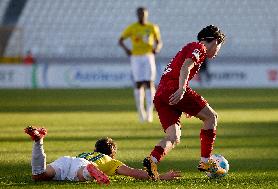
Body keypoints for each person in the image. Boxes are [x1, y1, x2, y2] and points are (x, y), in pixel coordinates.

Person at [142, 25, 226, 180]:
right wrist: (181, 90)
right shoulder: (199, 47)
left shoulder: (189, 47)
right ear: (214, 41)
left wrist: (185, 103)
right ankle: (206, 162)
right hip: (173, 89)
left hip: (161, 94)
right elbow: (186, 67)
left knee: (173, 136)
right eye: (219, 47)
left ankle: (152, 160)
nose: (217, 52)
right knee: (211, 117)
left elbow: (180, 68)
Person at [25, 126, 181, 184]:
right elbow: (135, 173)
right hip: (82, 166)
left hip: (67, 160)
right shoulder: (111, 161)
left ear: (95, 149)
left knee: (39, 175)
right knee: (81, 175)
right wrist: (161, 176)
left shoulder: (87, 153)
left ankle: (38, 142)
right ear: (112, 154)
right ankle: (89, 172)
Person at [118, 7, 162, 123]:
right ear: (137, 15)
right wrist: (127, 50)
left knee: (149, 83)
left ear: (146, 15)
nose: (142, 16)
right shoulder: (132, 28)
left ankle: (149, 113)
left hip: (148, 56)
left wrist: (156, 48)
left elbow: (159, 42)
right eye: (140, 14)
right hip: (136, 57)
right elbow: (120, 40)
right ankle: (140, 112)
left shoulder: (152, 27)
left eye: (143, 14)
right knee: (138, 83)